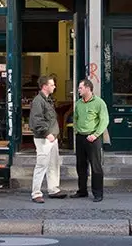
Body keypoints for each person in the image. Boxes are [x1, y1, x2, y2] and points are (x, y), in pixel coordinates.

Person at [29, 75, 66, 203]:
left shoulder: (47, 100)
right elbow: (37, 120)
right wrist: (46, 133)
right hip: (45, 138)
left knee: (53, 164)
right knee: (42, 165)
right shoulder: (38, 101)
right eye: (52, 84)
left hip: (51, 137)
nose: (54, 86)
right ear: (45, 86)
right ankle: (36, 193)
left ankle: (53, 189)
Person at [71, 79, 109, 202]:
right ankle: (82, 191)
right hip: (81, 137)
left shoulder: (99, 103)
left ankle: (98, 193)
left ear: (88, 88)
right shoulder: (78, 103)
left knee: (96, 166)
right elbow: (75, 118)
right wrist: (76, 131)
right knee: (80, 166)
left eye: (80, 88)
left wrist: (96, 134)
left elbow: (104, 120)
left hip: (93, 138)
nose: (78, 90)